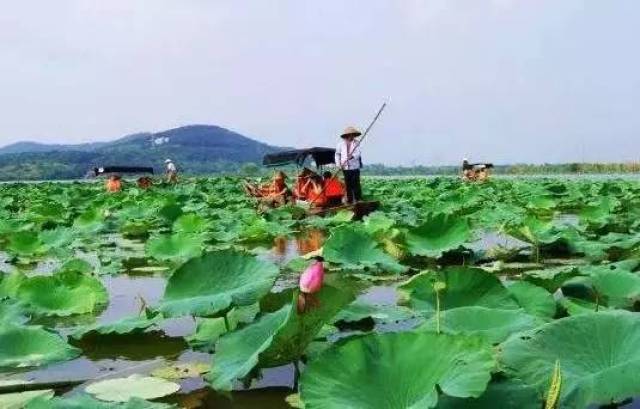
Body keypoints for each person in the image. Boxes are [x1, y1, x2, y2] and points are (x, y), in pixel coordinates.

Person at [335, 126, 363, 204]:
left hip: (354, 167)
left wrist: (352, 156)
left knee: (356, 183)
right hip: (345, 167)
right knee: (348, 184)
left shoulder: (357, 143)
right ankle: (350, 200)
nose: (352, 136)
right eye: (350, 135)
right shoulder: (340, 144)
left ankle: (358, 199)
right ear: (347, 135)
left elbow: (358, 153)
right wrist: (338, 164)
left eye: (353, 135)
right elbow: (337, 155)